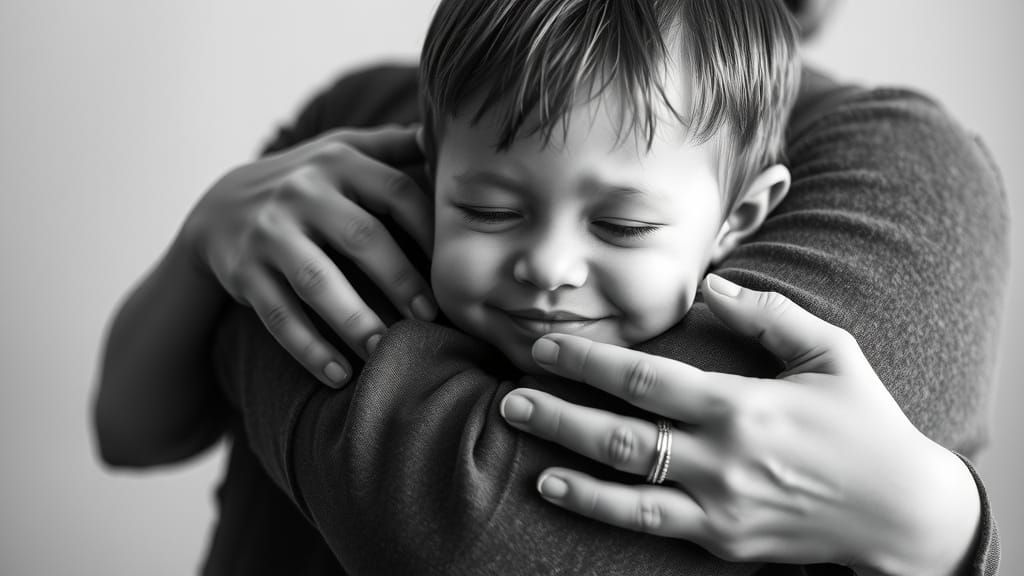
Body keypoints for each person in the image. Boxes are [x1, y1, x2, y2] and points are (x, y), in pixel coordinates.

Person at [93, 0, 1007, 574]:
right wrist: (204, 238)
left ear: (740, 219)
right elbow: (129, 432)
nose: (549, 265)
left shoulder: (892, 163)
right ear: (430, 160)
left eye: (623, 227)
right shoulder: (364, 114)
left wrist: (257, 305)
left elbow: (473, 533)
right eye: (488, 210)